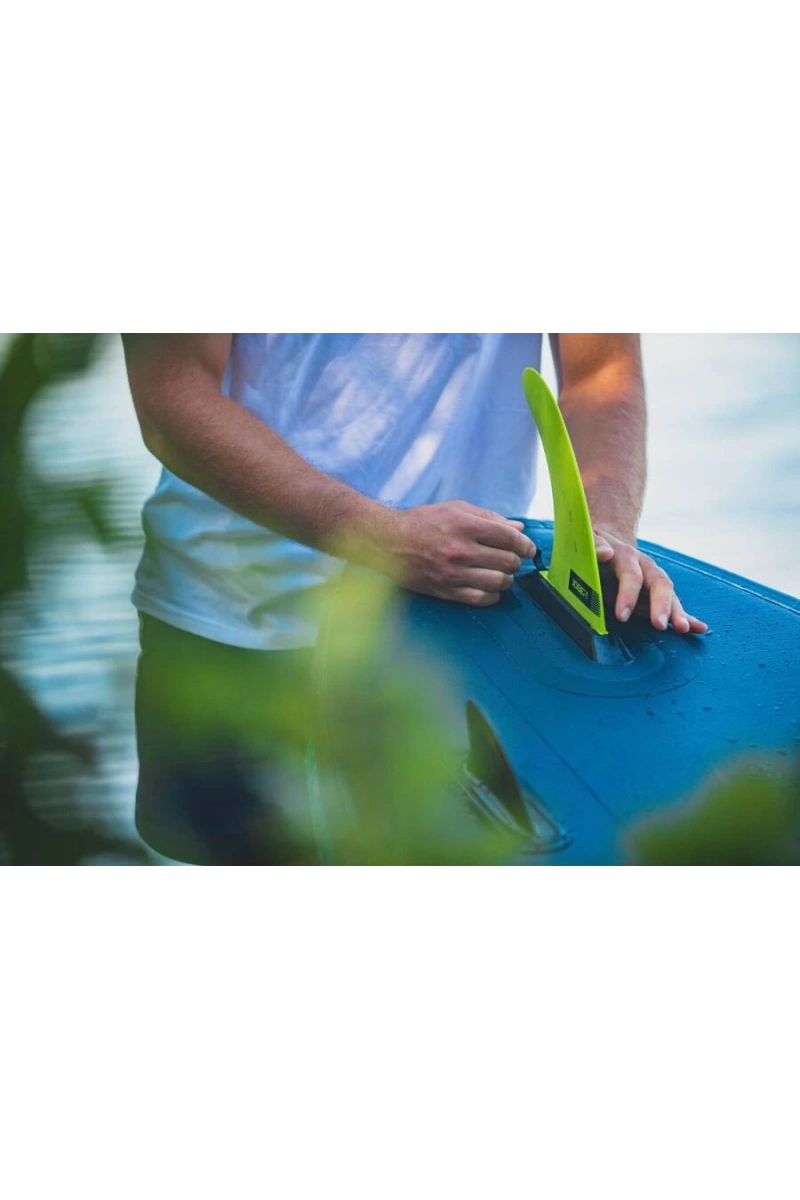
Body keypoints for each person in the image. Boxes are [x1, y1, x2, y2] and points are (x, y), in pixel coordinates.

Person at [122, 330, 707, 867]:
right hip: (238, 616)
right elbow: (171, 391)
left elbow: (600, 371)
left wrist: (605, 536)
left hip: (469, 629)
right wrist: (377, 536)